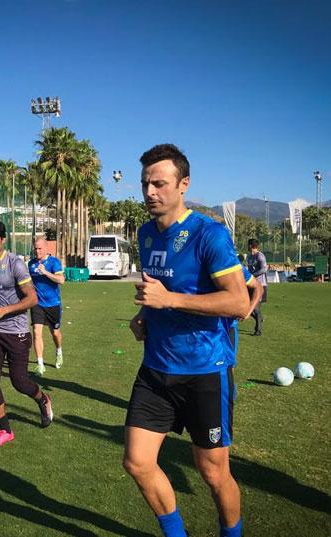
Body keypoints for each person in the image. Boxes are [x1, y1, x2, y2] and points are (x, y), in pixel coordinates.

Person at [123, 145, 249, 537]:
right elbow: (157, 290)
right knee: (137, 462)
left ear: (184, 184)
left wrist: (170, 300)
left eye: (159, 183)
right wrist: (146, 314)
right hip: (156, 370)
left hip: (204, 371)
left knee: (213, 473)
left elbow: (239, 302)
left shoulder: (209, 235)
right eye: (145, 183)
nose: (149, 192)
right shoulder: (145, 234)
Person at [0, 220, 53, 448]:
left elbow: (32, 298)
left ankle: (42, 398)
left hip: (16, 332)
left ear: (2, 240)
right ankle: (5, 430)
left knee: (19, 382)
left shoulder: (16, 264)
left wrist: (4, 311)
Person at [28, 238, 65, 376]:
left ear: (45, 248)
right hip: (37, 304)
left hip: (53, 304)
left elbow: (61, 280)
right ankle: (40, 364)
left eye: (40, 248)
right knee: (36, 332)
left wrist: (46, 272)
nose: (37, 251)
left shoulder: (53, 262)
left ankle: (59, 350)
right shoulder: (31, 264)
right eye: (35, 249)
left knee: (55, 333)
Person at [246, 239, 267, 336]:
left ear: (250, 245)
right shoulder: (250, 257)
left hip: (260, 285)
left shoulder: (260, 255)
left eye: (248, 245)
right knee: (246, 306)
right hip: (251, 284)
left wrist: (253, 275)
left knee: (256, 308)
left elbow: (263, 269)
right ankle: (260, 319)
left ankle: (258, 331)